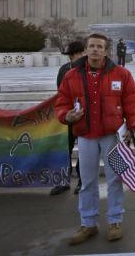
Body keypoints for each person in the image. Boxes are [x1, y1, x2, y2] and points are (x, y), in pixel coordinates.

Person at [55, 33, 135, 245]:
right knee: (87, 181)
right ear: (85, 50)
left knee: (115, 178)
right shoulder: (72, 75)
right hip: (86, 135)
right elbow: (62, 102)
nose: (95, 49)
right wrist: (67, 115)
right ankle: (88, 223)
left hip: (113, 136)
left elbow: (131, 100)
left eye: (99, 46)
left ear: (106, 50)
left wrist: (132, 125)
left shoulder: (121, 74)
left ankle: (115, 221)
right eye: (91, 46)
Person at [50, 41, 86, 196]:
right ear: (74, 54)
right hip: (69, 115)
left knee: (84, 150)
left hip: (85, 115)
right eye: (82, 52)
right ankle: (63, 180)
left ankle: (82, 180)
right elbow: (61, 92)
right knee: (65, 149)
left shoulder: (88, 68)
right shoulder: (65, 69)